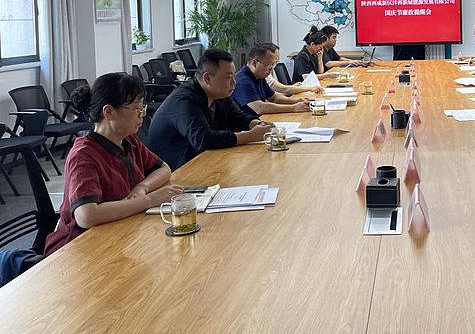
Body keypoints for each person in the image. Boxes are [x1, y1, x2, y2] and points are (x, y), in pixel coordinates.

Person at [44, 73, 183, 255]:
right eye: (136, 109)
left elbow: (164, 169)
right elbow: (87, 215)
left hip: (121, 235)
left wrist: (142, 187)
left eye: (142, 108)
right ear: (108, 112)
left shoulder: (129, 140)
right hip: (79, 249)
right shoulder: (83, 156)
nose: (142, 115)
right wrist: (149, 200)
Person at [147, 49, 276, 170]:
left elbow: (237, 117)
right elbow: (203, 140)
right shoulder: (184, 101)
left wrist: (256, 124)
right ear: (207, 78)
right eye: (228, 77)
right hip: (177, 171)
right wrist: (251, 135)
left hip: (204, 161)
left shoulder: (219, 94)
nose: (234, 82)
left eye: (234, 76)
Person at [232, 43, 312, 116]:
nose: (272, 69)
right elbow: (260, 108)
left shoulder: (259, 76)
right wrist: (294, 108)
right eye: (269, 65)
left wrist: (296, 101)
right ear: (254, 63)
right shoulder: (243, 81)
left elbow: (273, 97)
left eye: (274, 64)